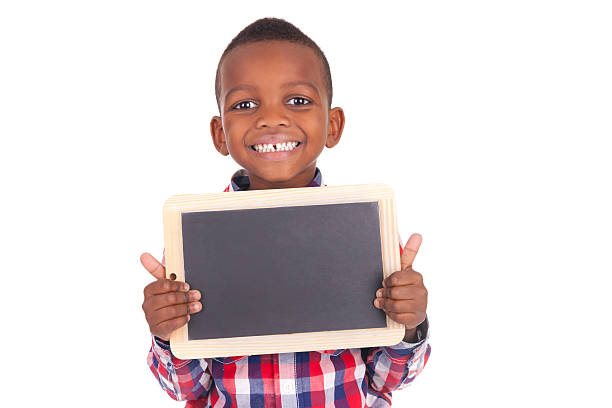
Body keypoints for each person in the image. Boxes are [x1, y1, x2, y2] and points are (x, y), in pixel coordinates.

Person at [141, 17, 431, 408]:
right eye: (245, 104)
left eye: (298, 100)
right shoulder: (194, 242)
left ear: (333, 125)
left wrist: (409, 324)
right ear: (219, 133)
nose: (271, 118)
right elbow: (188, 391)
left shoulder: (365, 233)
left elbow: (386, 381)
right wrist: (166, 333)